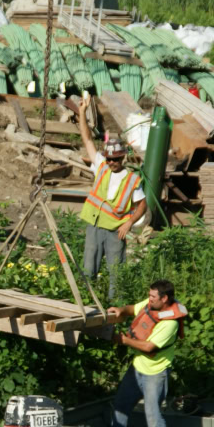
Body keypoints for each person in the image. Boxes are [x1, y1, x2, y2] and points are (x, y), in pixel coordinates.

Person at [77, 97, 148, 300]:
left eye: (115, 159)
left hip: (116, 231)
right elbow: (87, 139)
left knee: (115, 274)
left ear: (122, 158)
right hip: (95, 225)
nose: (111, 163)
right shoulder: (101, 166)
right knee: (89, 269)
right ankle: (86, 302)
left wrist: (129, 223)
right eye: (109, 159)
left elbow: (142, 205)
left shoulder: (132, 179)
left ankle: (113, 308)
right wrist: (82, 112)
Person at [106, 279, 187, 427]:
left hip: (155, 373)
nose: (149, 299)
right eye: (149, 295)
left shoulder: (170, 323)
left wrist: (123, 340)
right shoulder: (152, 304)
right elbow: (134, 309)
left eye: (153, 297)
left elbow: (149, 346)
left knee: (153, 416)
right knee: (121, 405)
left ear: (164, 299)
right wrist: (121, 310)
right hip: (137, 368)